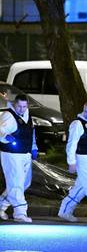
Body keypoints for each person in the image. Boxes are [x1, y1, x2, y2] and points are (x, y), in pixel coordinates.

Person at [0, 94, 38, 223]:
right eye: (19, 106)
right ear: (15, 104)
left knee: (24, 183)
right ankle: (20, 213)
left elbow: (31, 132)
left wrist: (34, 148)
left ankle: (1, 204)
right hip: (11, 154)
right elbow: (0, 130)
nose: (22, 109)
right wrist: (6, 137)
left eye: (24, 106)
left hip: (25, 153)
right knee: (16, 183)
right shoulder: (8, 115)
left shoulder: (28, 115)